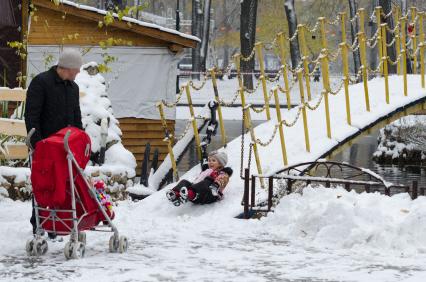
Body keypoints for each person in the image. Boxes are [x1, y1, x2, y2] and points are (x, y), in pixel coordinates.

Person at [25, 48, 84, 237]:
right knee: (44, 185)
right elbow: (31, 116)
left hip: (66, 148)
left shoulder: (73, 88)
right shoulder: (41, 83)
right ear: (69, 67)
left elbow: (76, 118)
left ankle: (59, 224)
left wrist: (80, 142)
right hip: (44, 147)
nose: (79, 72)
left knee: (64, 187)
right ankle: (39, 224)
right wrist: (38, 144)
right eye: (77, 69)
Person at [166, 151, 233, 206]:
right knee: (185, 182)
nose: (210, 162)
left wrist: (215, 185)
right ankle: (175, 194)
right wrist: (191, 185)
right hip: (199, 193)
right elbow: (198, 181)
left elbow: (222, 180)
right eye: (209, 160)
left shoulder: (223, 173)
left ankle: (188, 194)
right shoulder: (206, 171)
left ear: (220, 164)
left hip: (210, 195)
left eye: (213, 160)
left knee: (206, 181)